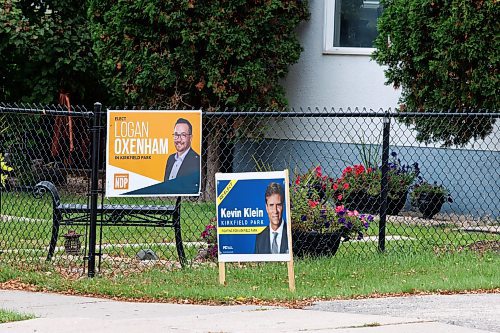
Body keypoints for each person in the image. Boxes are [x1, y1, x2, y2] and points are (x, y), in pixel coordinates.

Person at [123, 117, 200, 195]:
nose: (179, 140)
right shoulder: (170, 159)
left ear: (190, 138)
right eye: (176, 135)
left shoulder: (196, 160)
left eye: (183, 135)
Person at [255, 182, 289, 254]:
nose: (275, 210)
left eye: (278, 205)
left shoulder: (291, 234)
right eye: (271, 205)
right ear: (266, 208)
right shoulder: (260, 238)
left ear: (283, 206)